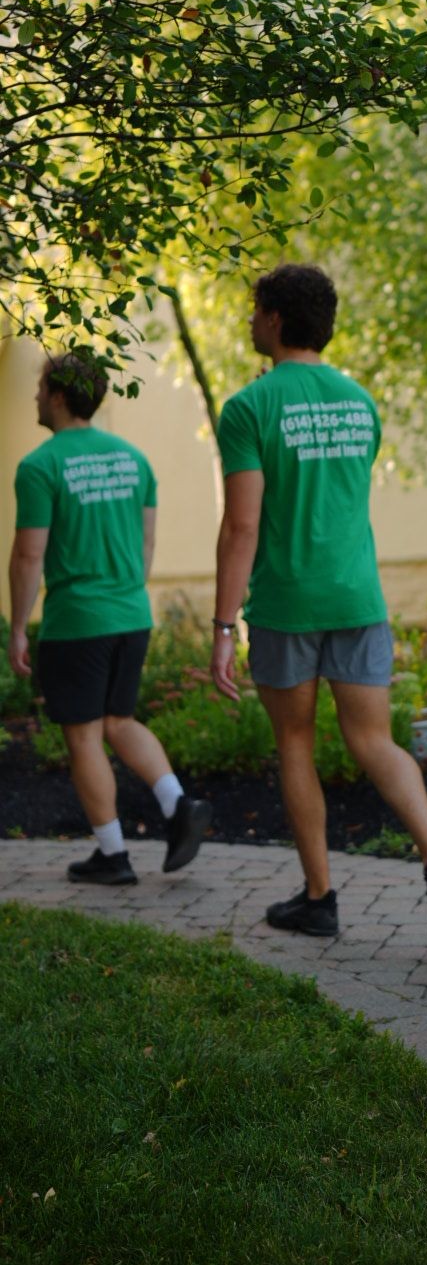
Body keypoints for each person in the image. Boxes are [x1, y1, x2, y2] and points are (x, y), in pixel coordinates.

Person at [211, 262, 427, 953]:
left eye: (253, 309)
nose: (248, 321)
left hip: (286, 605)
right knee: (373, 741)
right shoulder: (360, 403)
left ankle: (321, 898)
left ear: (274, 318)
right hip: (359, 597)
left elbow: (241, 526)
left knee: (295, 742)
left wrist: (220, 624)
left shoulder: (249, 408)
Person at [8, 354, 212, 884]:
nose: (34, 398)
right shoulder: (134, 460)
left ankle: (114, 855)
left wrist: (17, 627)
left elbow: (29, 555)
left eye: (39, 389)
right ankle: (177, 803)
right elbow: (146, 544)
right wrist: (126, 591)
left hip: (78, 620)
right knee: (119, 721)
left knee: (83, 735)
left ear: (56, 395)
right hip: (130, 613)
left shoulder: (40, 466)